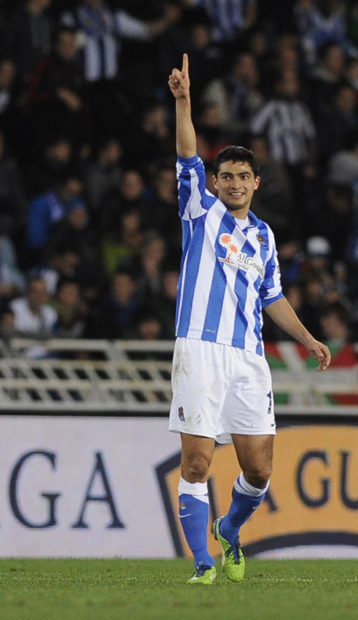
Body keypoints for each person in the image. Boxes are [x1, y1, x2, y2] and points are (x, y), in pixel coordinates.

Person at [167, 54, 331, 585]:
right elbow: (187, 151)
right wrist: (185, 102)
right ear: (214, 182)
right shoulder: (200, 210)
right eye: (226, 176)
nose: (233, 183)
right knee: (196, 463)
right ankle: (200, 562)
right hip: (198, 347)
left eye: (243, 176)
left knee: (259, 470)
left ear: (257, 183)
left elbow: (272, 297)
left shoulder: (264, 237)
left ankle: (230, 528)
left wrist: (307, 339)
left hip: (248, 357)